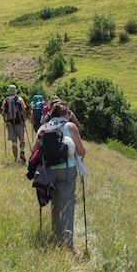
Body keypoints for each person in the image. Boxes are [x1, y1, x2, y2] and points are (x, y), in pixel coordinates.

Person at [33, 102, 86, 250]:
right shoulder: (70, 127)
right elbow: (81, 152)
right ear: (66, 114)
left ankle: (56, 239)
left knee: (55, 205)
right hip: (67, 170)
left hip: (49, 172)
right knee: (67, 206)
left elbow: (34, 150)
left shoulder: (44, 128)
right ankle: (68, 245)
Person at [1, 85, 28, 163]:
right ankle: (22, 152)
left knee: (14, 142)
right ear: (15, 91)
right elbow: (24, 110)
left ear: (9, 91)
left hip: (10, 123)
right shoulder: (20, 99)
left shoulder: (5, 100)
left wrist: (6, 120)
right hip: (19, 123)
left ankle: (15, 158)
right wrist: (24, 119)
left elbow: (2, 112)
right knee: (22, 140)